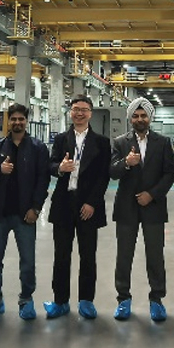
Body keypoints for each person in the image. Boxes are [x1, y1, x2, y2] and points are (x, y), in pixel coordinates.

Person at [0, 103, 50, 320]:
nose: (17, 122)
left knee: (27, 261)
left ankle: (26, 299)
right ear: (8, 121)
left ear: (26, 121)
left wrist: (36, 208)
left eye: (21, 119)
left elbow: (43, 180)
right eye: (14, 119)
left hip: (25, 215)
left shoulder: (37, 148)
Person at [108, 98, 174, 322]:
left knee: (155, 255)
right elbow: (112, 172)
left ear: (150, 117)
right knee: (124, 255)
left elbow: (169, 173)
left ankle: (157, 299)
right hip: (126, 208)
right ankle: (123, 299)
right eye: (135, 116)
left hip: (153, 208)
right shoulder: (120, 142)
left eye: (143, 115)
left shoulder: (162, 142)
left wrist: (152, 194)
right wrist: (126, 163)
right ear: (130, 119)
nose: (139, 119)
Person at [45, 95, 112, 319]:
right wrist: (60, 168)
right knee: (61, 256)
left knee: (88, 256)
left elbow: (103, 176)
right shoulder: (61, 139)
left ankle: (86, 301)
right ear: (70, 112)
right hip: (64, 203)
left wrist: (92, 202)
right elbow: (50, 164)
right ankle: (60, 301)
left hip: (88, 206)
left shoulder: (101, 142)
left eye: (84, 109)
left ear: (90, 113)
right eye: (75, 109)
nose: (79, 113)